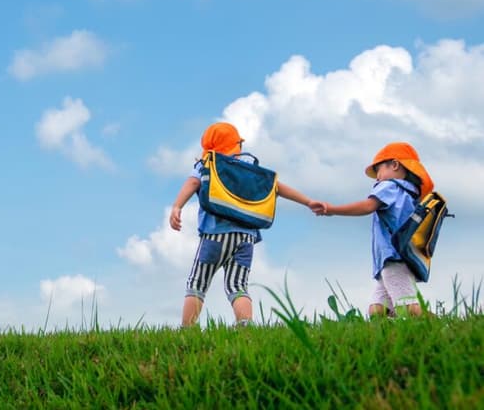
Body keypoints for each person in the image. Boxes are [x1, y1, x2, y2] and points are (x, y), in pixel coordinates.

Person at [169, 122, 315, 327]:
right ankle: (245, 326)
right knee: (237, 285)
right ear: (237, 145)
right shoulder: (249, 169)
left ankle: (187, 329)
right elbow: (276, 187)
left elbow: (193, 183)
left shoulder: (208, 163)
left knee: (197, 284)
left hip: (215, 234)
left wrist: (177, 206)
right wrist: (308, 202)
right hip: (246, 238)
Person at [310, 142, 434, 318]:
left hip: (393, 257)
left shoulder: (390, 186)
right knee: (377, 311)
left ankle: (443, 326)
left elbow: (368, 206)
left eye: (378, 171)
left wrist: (332, 209)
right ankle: (392, 336)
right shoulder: (411, 194)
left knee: (408, 308)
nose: (377, 178)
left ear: (395, 165)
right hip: (399, 257)